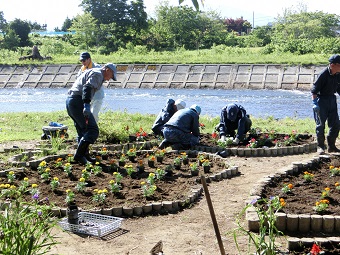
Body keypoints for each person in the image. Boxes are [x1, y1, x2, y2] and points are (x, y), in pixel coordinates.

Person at [66, 63, 117, 165]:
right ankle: (79, 155)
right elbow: (87, 87)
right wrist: (86, 105)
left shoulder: (93, 71)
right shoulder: (98, 74)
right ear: (107, 70)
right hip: (78, 102)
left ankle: (84, 155)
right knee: (93, 130)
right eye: (111, 76)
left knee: (83, 130)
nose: (109, 79)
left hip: (71, 101)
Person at [311, 54, 340, 154]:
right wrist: (315, 103)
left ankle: (331, 146)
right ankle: (320, 147)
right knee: (320, 125)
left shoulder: (338, 74)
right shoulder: (323, 74)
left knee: (336, 124)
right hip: (321, 100)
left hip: (332, 99)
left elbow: (339, 89)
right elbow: (314, 90)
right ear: (333, 65)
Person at [77, 52, 104, 122]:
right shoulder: (82, 69)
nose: (82, 62)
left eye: (84, 60)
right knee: (86, 115)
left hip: (97, 96)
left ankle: (95, 130)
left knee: (93, 114)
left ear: (89, 59)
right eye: (81, 61)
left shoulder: (97, 67)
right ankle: (88, 130)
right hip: (87, 97)